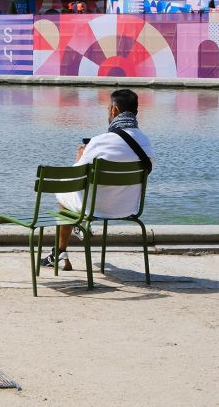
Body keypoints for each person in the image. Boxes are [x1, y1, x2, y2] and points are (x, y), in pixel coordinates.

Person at [44, 88, 156, 270]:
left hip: (95, 208)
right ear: (136, 112)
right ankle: (76, 227)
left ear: (114, 110)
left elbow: (77, 178)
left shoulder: (100, 141)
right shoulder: (146, 143)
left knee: (65, 194)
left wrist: (80, 157)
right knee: (79, 196)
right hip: (129, 208)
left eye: (107, 110)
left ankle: (59, 251)